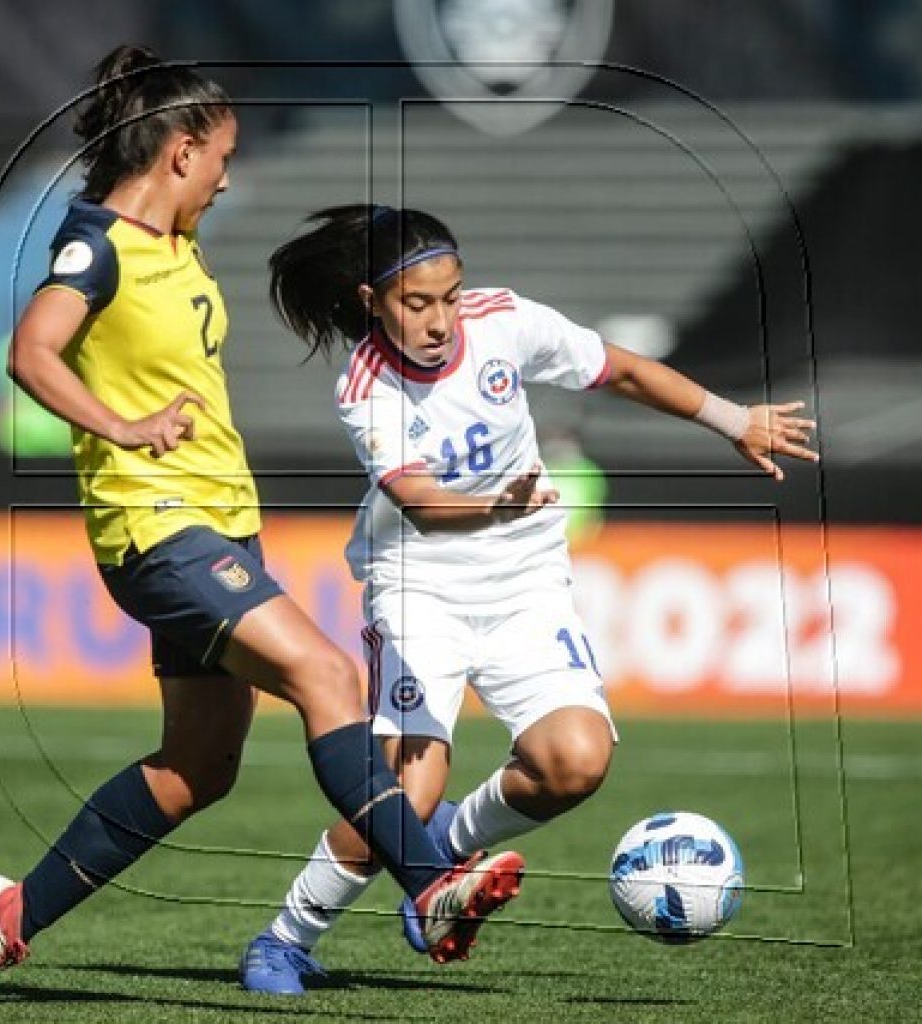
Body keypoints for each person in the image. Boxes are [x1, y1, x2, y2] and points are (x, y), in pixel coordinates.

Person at [0, 50, 524, 1006]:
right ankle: (432, 885)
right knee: (328, 676)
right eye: (222, 156)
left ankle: (8, 918)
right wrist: (125, 428)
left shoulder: (175, 248)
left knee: (197, 768)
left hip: (218, 529)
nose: (227, 174)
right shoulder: (99, 245)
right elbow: (31, 353)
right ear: (179, 151)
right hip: (158, 527)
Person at [239, 204, 819, 995]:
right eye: (417, 304)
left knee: (575, 762)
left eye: (450, 296)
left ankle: (444, 848)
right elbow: (423, 503)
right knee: (405, 792)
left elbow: (622, 369)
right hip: (421, 591)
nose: (441, 319)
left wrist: (732, 419)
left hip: (525, 584)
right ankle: (283, 941)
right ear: (370, 301)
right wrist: (499, 505)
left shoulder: (506, 321)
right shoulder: (366, 386)